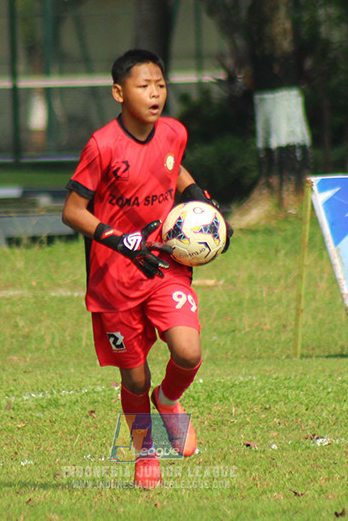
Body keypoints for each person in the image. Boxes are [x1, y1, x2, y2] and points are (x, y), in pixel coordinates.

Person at [61, 48, 230, 490]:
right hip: (114, 277)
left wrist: (201, 200)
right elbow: (73, 211)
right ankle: (145, 451)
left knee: (188, 351)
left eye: (160, 85)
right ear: (119, 92)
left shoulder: (174, 132)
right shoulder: (102, 145)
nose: (155, 94)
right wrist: (119, 239)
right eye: (143, 86)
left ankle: (169, 400)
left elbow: (171, 169)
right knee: (133, 376)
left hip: (164, 265)